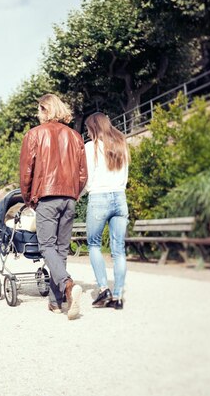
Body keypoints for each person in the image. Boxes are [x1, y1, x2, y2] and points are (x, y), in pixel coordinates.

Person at [20, 93, 88, 320]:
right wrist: (73, 194)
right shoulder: (76, 136)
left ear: (45, 109)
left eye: (39, 111)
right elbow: (82, 174)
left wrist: (29, 198)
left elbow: (27, 172)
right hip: (69, 197)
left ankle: (68, 285)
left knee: (47, 246)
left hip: (47, 197)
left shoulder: (34, 135)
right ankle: (56, 302)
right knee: (60, 250)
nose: (38, 115)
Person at [83, 112, 130, 310]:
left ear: (93, 127)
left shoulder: (90, 147)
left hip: (98, 198)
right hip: (120, 197)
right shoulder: (121, 143)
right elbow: (126, 174)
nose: (87, 132)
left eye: (88, 129)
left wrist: (84, 192)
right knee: (118, 250)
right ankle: (118, 297)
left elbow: (87, 178)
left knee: (93, 244)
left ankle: (104, 290)